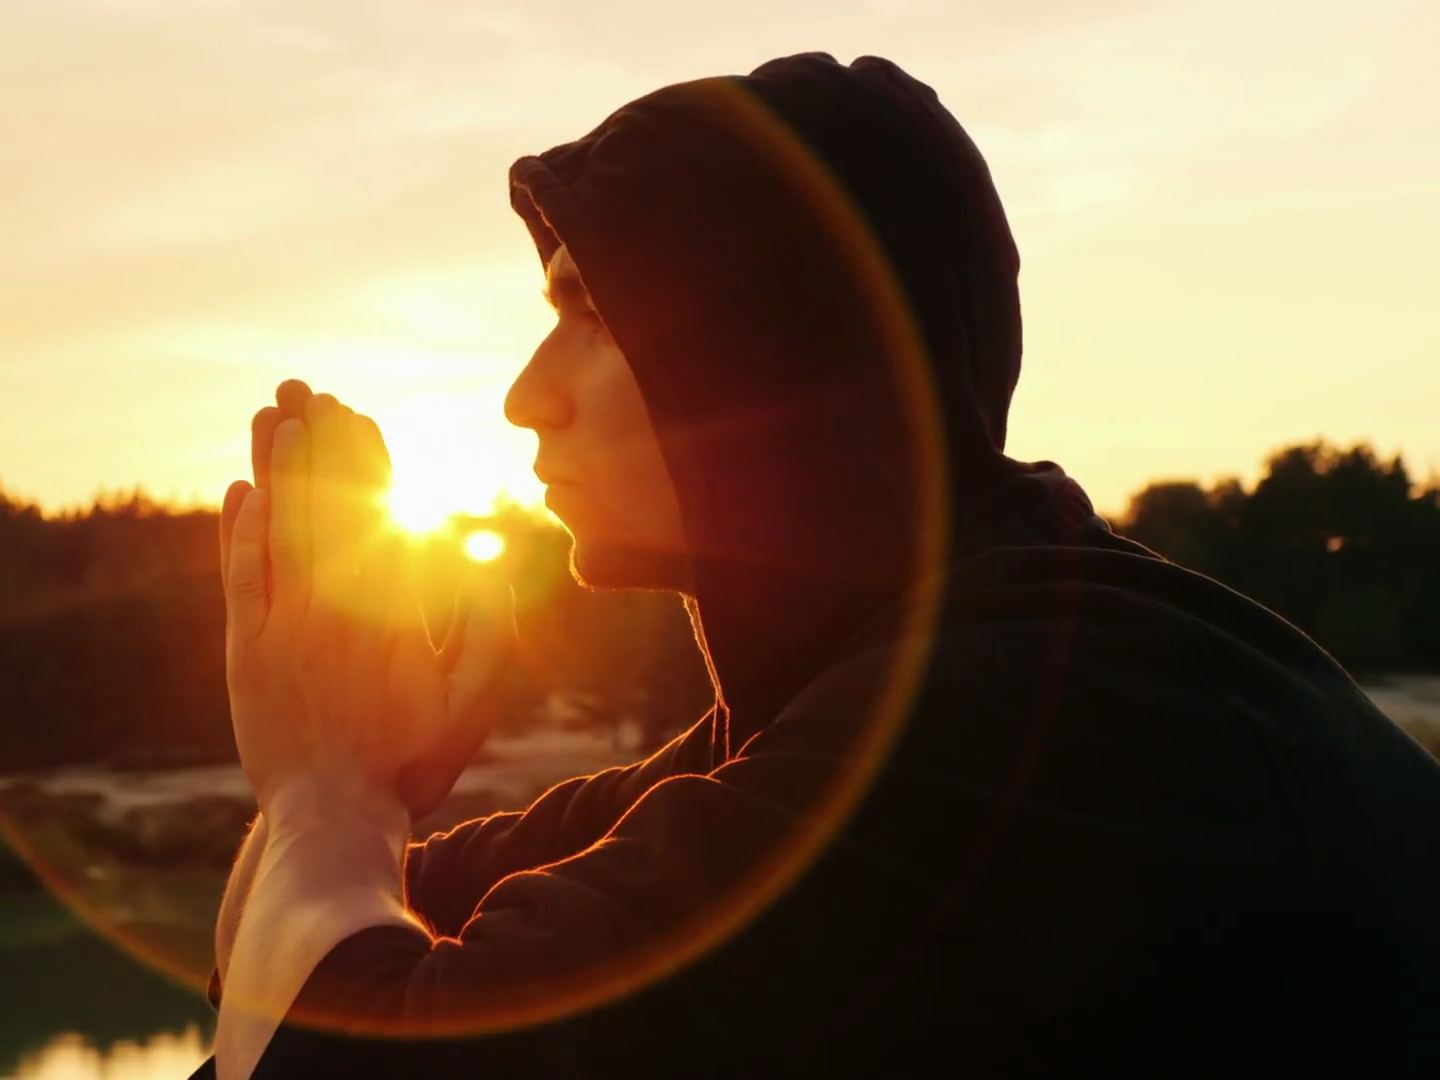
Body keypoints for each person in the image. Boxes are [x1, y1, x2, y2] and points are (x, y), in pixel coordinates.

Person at [196, 52, 1440, 1078]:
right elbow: (267, 978)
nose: (526, 398)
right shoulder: (836, 711)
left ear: (779, 352)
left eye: (591, 314)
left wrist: (325, 802)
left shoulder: (1034, 722)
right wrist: (357, 790)